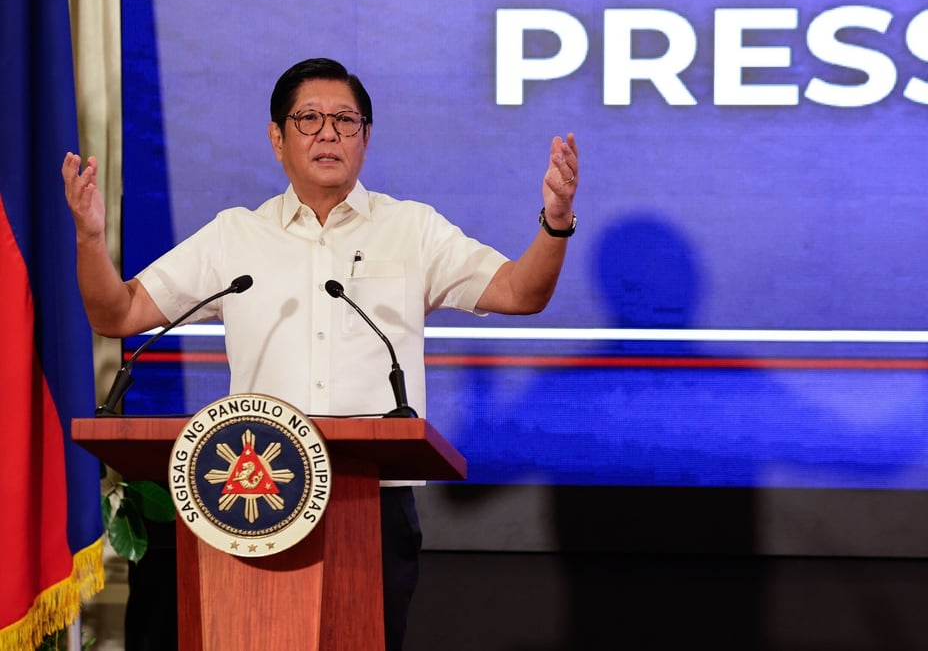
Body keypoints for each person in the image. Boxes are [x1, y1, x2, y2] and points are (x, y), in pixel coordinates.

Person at [63, 57, 578, 650]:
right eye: (308, 119)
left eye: (345, 120)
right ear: (277, 138)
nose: (328, 133)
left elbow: (520, 292)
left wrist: (555, 222)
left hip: (371, 504)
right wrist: (90, 239)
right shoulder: (235, 236)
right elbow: (118, 314)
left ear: (366, 137)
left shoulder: (412, 229)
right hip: (252, 500)